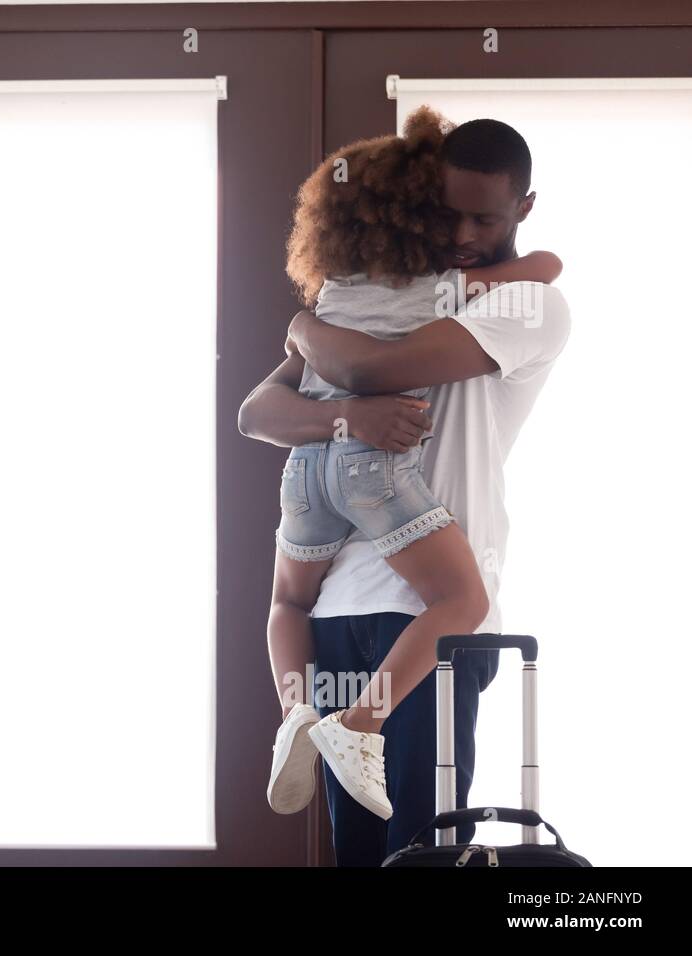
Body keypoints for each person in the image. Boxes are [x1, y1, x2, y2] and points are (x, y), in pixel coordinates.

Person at [239, 115, 571, 865]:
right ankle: (313, 721)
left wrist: (302, 326)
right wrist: (341, 405)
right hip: (341, 613)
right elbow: (258, 413)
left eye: (482, 217)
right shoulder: (397, 291)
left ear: (524, 206)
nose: (459, 231)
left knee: (421, 848)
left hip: (428, 623)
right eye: (443, 211)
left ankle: (320, 723)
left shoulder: (524, 306)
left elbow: (366, 369)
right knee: (363, 852)